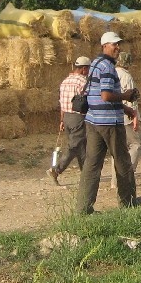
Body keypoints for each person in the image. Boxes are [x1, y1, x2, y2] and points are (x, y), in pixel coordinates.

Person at [78, 32, 141, 214]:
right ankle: (128, 203)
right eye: (114, 44)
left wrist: (126, 109)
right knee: (122, 162)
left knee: (92, 164)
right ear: (104, 46)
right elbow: (106, 95)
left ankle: (83, 208)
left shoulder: (94, 64)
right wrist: (126, 96)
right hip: (109, 123)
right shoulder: (107, 66)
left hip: (93, 121)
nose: (118, 47)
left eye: (118, 44)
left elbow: (99, 95)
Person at [49, 56, 91, 186]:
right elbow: (89, 100)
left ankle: (87, 174)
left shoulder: (65, 81)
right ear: (84, 69)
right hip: (78, 117)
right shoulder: (83, 82)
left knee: (81, 146)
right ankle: (56, 169)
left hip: (66, 117)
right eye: (88, 69)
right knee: (74, 146)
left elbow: (62, 103)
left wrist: (62, 120)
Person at [110, 51, 141, 189]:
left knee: (117, 149)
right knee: (136, 145)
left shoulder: (110, 73)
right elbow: (132, 99)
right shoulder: (126, 76)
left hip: (112, 116)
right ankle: (127, 175)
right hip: (126, 116)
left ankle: (114, 181)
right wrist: (134, 117)